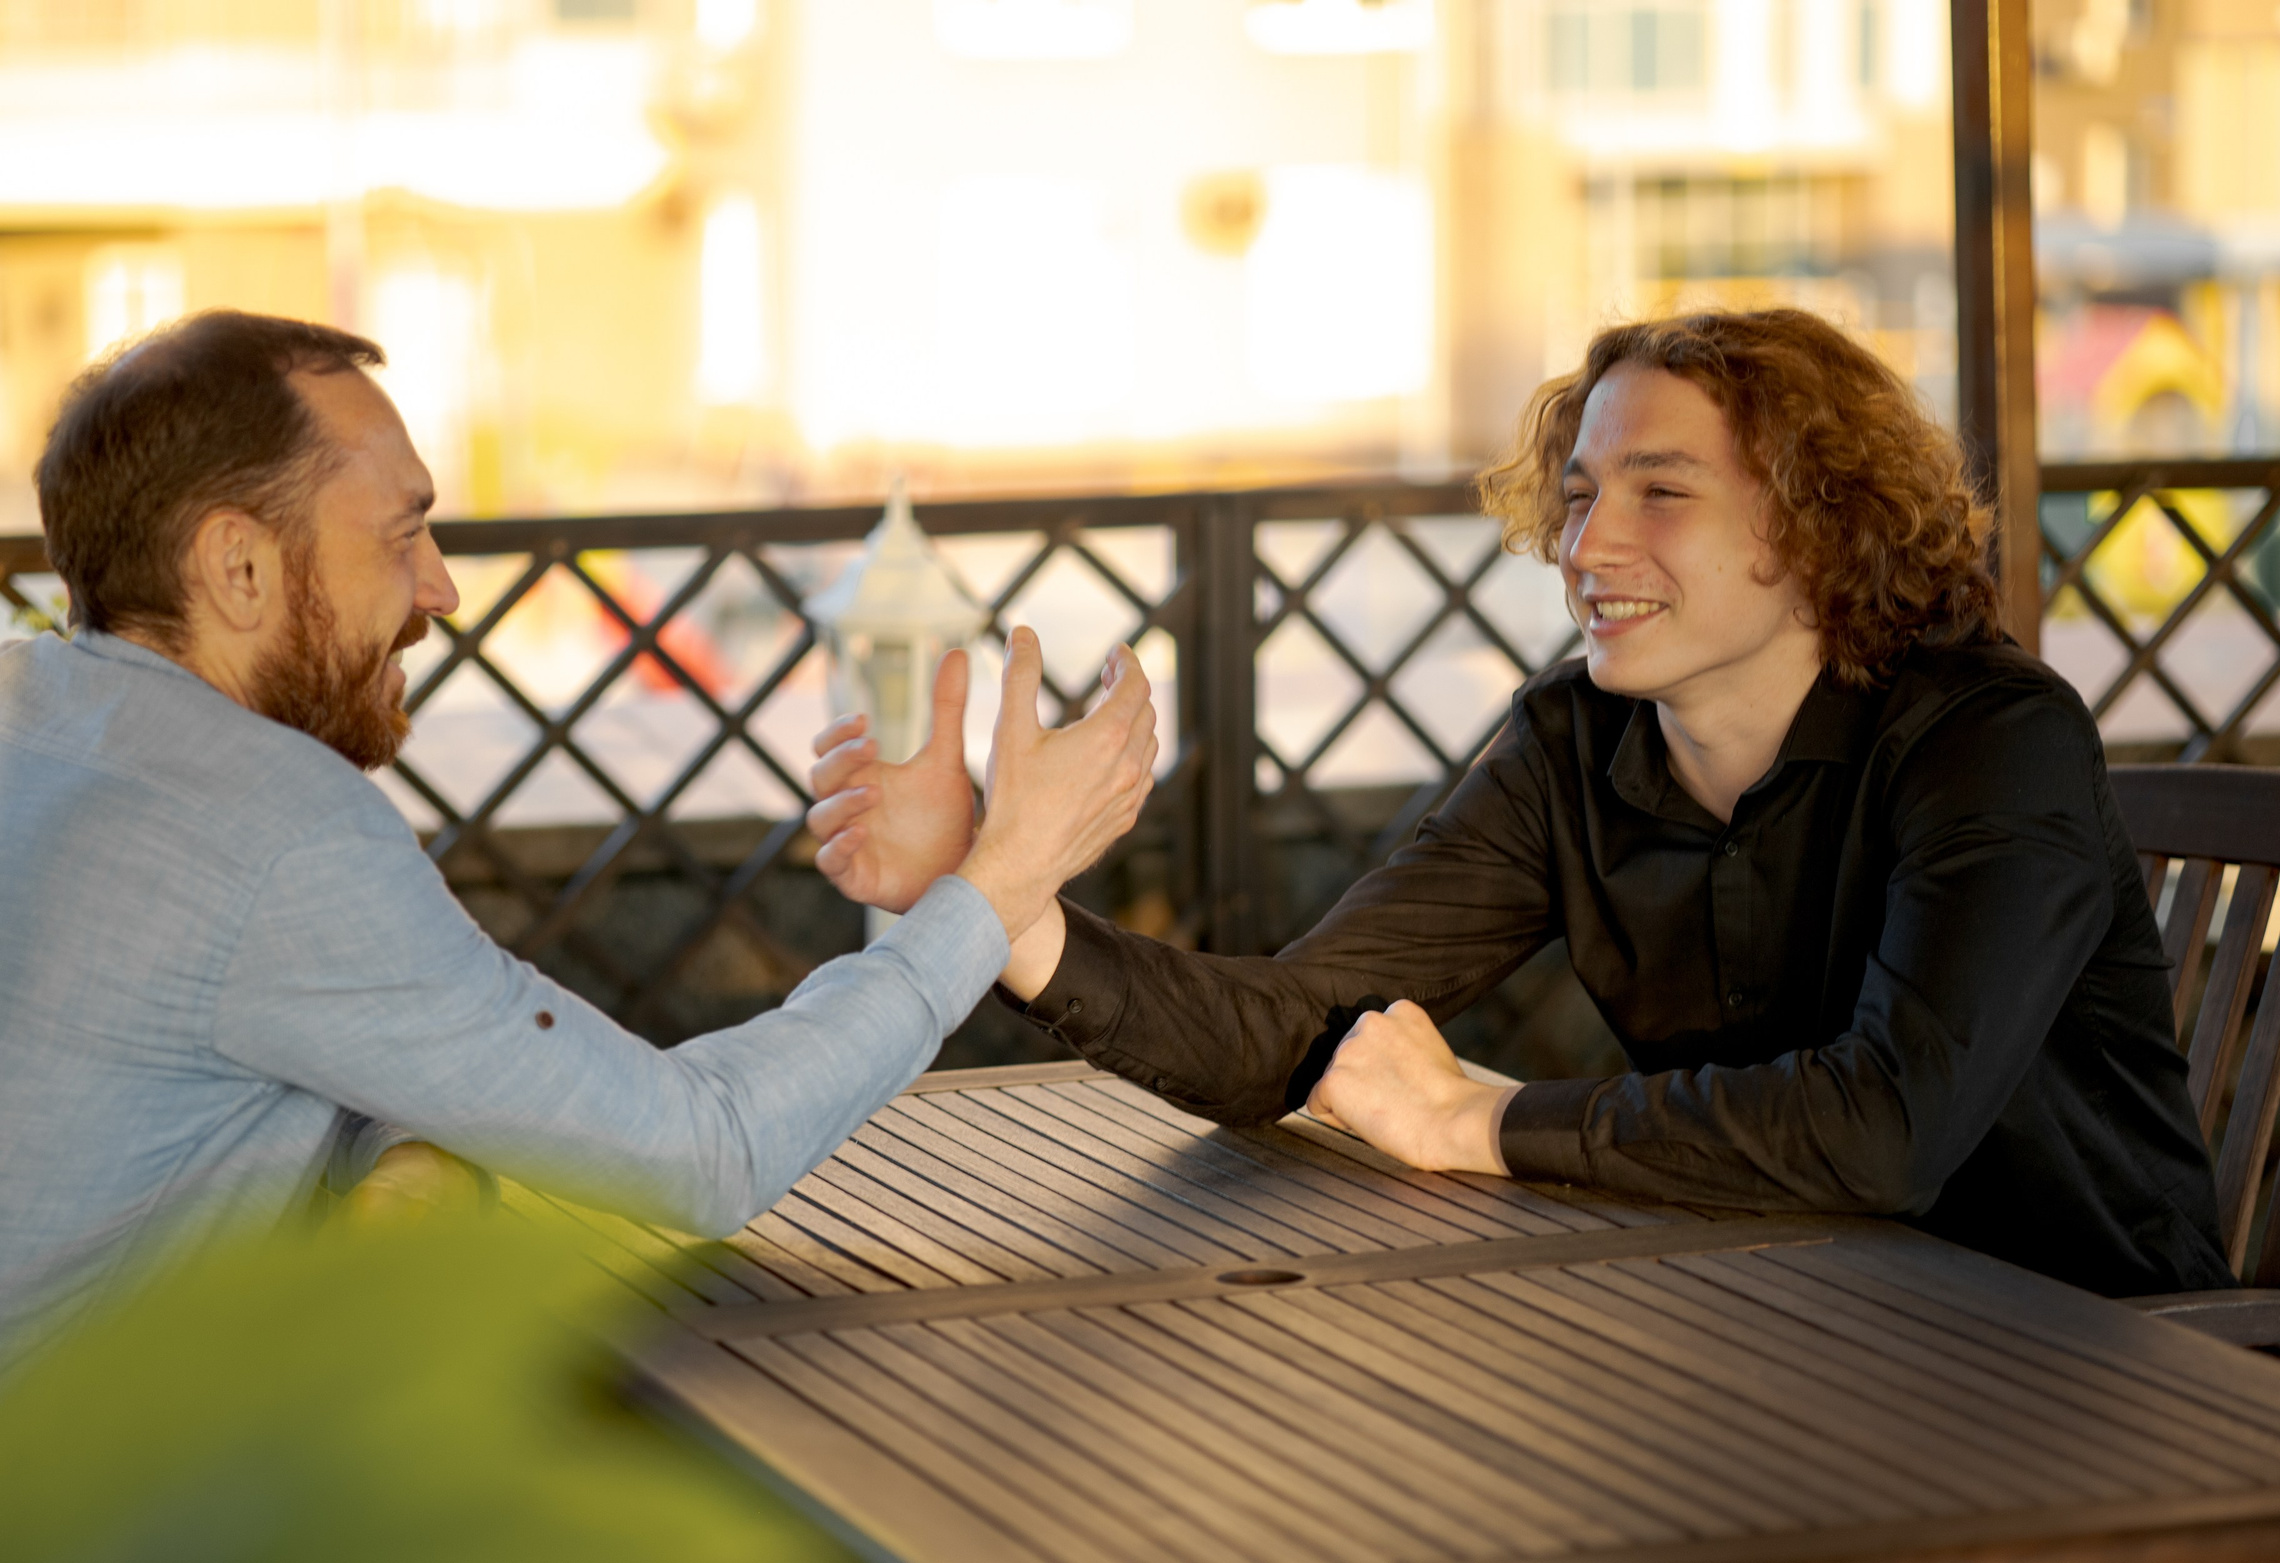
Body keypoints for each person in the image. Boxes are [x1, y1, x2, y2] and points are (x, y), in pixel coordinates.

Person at [0, 310, 1157, 1563]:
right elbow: (701, 1152)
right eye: (400, 534)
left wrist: (406, 1160)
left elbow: (283, 1055)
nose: (444, 590)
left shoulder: (16, 709)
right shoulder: (269, 826)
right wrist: (994, 885)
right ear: (236, 564)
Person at [808, 307, 2229, 1302]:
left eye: (1660, 492)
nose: (1586, 544)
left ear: (1815, 528)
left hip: (2091, 1359)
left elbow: (1885, 1132)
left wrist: (1484, 1121)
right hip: (1773, 1310)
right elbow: (1303, 1036)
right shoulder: (1574, 745)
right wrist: (1002, 907)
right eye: (1578, 494)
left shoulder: (1989, 739)